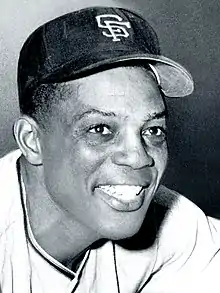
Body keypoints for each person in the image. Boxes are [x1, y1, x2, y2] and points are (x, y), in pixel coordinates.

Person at [0, 5, 219, 293]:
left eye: (153, 131)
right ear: (32, 140)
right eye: (100, 129)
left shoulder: (178, 228)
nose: (139, 157)